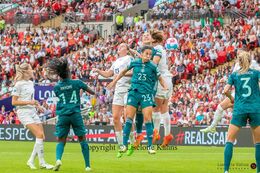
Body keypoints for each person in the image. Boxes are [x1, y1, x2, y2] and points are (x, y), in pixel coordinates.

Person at [107, 45, 168, 155]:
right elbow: (122, 72)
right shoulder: (135, 62)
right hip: (134, 93)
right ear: (142, 53)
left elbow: (160, 78)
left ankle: (150, 147)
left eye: (150, 54)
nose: (148, 56)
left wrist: (165, 87)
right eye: (146, 54)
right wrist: (114, 81)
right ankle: (124, 146)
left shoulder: (153, 66)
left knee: (148, 119)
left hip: (146, 94)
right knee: (129, 119)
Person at [47, 58, 95, 172]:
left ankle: (58, 159)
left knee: (61, 140)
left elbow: (62, 93)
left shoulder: (57, 87)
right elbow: (92, 91)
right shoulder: (77, 82)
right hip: (75, 114)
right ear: (68, 72)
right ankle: (87, 166)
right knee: (82, 139)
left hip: (63, 115)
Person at [200, 49, 260, 133]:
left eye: (239, 54)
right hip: (239, 92)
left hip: (250, 94)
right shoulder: (237, 64)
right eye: (237, 54)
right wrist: (224, 79)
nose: (237, 56)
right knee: (220, 107)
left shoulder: (252, 63)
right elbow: (233, 76)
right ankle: (212, 127)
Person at [92, 43, 134, 158]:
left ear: (127, 49)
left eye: (123, 46)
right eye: (120, 46)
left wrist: (122, 75)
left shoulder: (130, 58)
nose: (121, 47)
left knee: (126, 116)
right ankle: (121, 146)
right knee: (115, 118)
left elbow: (135, 72)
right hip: (118, 90)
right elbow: (108, 74)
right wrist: (98, 71)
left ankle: (132, 142)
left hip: (128, 89)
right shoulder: (116, 62)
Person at [223, 51, 260, 173]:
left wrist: (231, 99)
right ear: (250, 61)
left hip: (240, 108)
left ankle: (226, 171)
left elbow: (225, 90)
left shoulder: (234, 75)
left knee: (230, 140)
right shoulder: (256, 73)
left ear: (239, 62)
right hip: (255, 108)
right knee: (258, 143)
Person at [11, 63, 53, 170]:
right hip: (24, 113)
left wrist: (38, 106)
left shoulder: (31, 83)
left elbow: (31, 98)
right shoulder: (18, 85)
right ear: (25, 72)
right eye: (30, 69)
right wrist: (30, 102)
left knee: (41, 136)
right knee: (39, 134)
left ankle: (31, 160)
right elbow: (14, 102)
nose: (32, 70)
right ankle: (42, 163)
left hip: (33, 111)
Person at [151, 30, 174, 147]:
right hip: (168, 79)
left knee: (156, 108)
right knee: (164, 108)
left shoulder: (157, 50)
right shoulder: (163, 49)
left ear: (154, 40)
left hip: (161, 79)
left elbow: (153, 64)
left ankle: (155, 133)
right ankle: (168, 134)